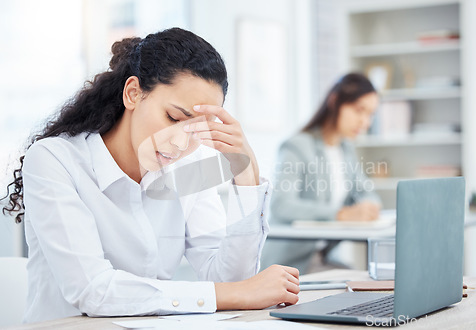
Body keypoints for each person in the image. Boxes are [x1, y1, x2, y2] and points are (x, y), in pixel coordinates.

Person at [1, 28, 299, 323]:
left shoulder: (190, 167)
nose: (182, 143)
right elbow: (93, 290)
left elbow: (231, 280)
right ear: (133, 94)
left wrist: (245, 178)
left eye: (198, 129)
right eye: (174, 118)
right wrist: (234, 294)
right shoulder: (56, 160)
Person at [261, 73, 382, 274]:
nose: (365, 122)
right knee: (358, 282)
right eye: (359, 110)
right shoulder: (297, 146)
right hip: (287, 262)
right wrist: (341, 214)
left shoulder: (346, 149)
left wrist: (370, 206)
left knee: (366, 280)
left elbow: (365, 190)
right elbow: (281, 205)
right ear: (335, 102)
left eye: (370, 115)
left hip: (319, 259)